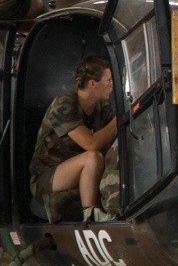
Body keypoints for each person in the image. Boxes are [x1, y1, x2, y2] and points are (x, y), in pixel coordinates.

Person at [31, 55, 120, 224]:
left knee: (106, 157)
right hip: (48, 175)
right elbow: (91, 144)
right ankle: (90, 215)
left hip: (80, 167)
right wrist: (120, 121)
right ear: (92, 84)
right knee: (93, 157)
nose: (112, 85)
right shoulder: (63, 105)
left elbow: (105, 148)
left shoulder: (102, 108)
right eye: (108, 80)